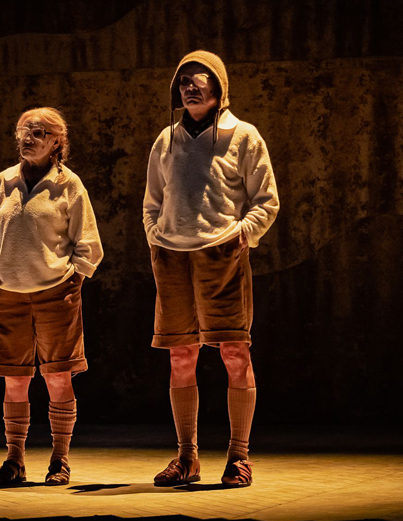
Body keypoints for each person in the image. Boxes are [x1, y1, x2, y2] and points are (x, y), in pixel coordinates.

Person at [143, 50, 279, 487]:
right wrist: (156, 235)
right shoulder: (167, 140)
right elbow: (152, 201)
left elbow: (266, 200)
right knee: (180, 354)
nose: (188, 86)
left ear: (219, 87)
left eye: (197, 79)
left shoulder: (243, 135)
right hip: (173, 258)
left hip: (222, 255)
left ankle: (239, 456)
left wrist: (242, 234)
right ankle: (187, 457)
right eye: (182, 81)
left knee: (234, 351)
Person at [0, 107, 103, 487]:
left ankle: (60, 459)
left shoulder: (69, 184)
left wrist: (72, 279)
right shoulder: (3, 181)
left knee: (58, 375)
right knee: (14, 379)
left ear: (57, 141)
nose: (27, 138)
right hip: (5, 294)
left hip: (55, 294)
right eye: (22, 132)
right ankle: (14, 459)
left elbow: (88, 242)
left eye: (38, 132)